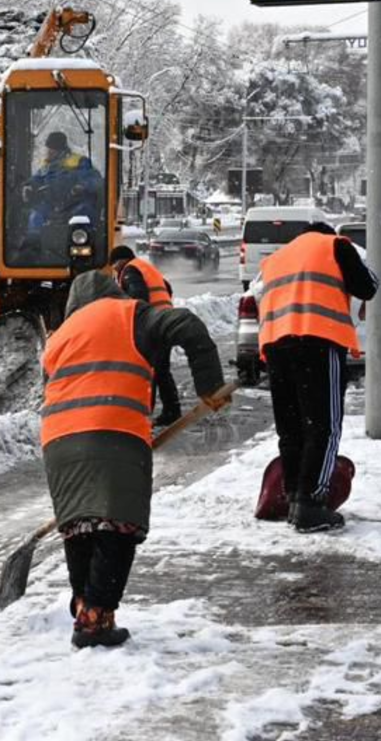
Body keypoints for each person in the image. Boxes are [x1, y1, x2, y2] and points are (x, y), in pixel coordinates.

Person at [42, 270, 228, 649]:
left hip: (58, 441)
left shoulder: (59, 336)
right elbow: (187, 325)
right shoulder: (129, 313)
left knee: (80, 526)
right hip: (113, 431)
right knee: (117, 526)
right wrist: (210, 386)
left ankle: (85, 607)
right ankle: (95, 621)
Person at [250, 221, 378, 533]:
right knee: (323, 426)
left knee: (291, 427)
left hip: (276, 345)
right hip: (318, 341)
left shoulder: (275, 259)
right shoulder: (334, 245)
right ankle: (311, 503)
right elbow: (367, 287)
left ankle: (294, 495)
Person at [110, 245, 183, 426]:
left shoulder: (130, 271)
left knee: (148, 370)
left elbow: (138, 296)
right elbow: (167, 287)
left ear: (120, 261)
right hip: (165, 320)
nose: (114, 269)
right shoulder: (145, 267)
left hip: (152, 325)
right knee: (161, 369)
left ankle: (144, 414)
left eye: (114, 265)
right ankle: (172, 411)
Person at [23, 130, 102, 236]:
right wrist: (29, 185)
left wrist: (82, 186)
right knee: (36, 216)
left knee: (84, 213)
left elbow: (94, 179)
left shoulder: (79, 162)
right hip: (52, 205)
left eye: (51, 150)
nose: (48, 152)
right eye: (48, 149)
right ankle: (34, 241)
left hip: (75, 203)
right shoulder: (47, 166)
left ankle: (82, 239)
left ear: (60, 150)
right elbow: (37, 178)